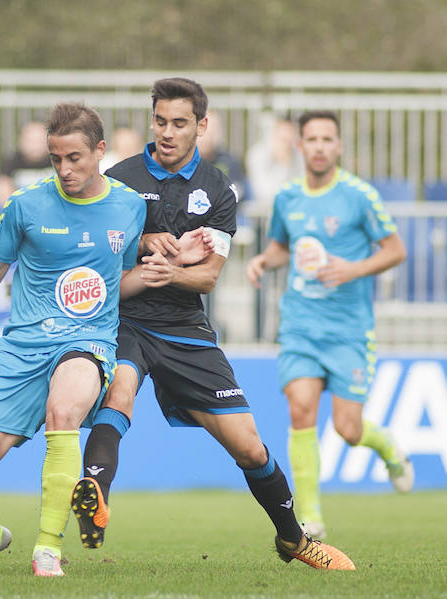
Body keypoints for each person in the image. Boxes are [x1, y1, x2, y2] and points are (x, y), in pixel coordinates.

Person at [73, 78, 355, 571]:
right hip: (126, 321)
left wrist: (172, 268)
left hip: (185, 329)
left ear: (201, 126)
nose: (167, 131)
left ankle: (294, 540)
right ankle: (94, 492)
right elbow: (97, 258)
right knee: (118, 391)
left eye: (180, 123)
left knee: (248, 445)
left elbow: (207, 278)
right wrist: (144, 244)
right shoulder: (116, 180)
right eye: (160, 120)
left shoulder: (218, 188)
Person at [0, 102, 208, 578]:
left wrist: (169, 268)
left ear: (100, 151)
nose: (64, 169)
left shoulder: (127, 205)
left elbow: (116, 284)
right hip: (22, 348)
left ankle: (47, 547)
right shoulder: (24, 205)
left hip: (88, 344)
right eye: (56, 158)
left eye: (75, 158)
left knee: (64, 411)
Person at [246, 109, 412, 540]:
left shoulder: (359, 195)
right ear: (300, 146)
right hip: (301, 323)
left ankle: (389, 448)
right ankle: (312, 516)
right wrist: (265, 259)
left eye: (327, 139)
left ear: (338, 146)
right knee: (300, 410)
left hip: (348, 329)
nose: (319, 146)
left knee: (347, 428)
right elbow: (284, 247)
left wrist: (352, 269)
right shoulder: (287, 198)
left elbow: (395, 250)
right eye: (312, 139)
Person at [246, 114, 303, 215]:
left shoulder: (300, 155)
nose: (287, 144)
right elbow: (265, 194)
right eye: (283, 139)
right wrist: (283, 165)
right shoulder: (257, 155)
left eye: (290, 139)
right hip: (264, 215)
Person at [0, 120, 53, 205]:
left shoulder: (57, 160)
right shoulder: (11, 161)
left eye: (39, 141)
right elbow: (3, 193)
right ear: (21, 140)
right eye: (31, 141)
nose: (35, 146)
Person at [197, 109, 249, 204]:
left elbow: (239, 192)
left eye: (212, 131)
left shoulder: (230, 162)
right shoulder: (180, 163)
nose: (208, 137)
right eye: (205, 130)